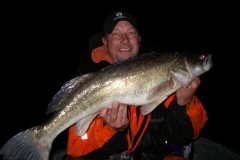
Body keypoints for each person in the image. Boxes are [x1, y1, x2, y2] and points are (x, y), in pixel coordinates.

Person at [65, 11, 208, 160]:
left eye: (131, 33)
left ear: (139, 39)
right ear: (104, 42)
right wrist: (114, 130)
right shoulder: (89, 77)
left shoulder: (164, 71)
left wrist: (183, 104)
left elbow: (185, 136)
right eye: (116, 34)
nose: (125, 40)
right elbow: (76, 149)